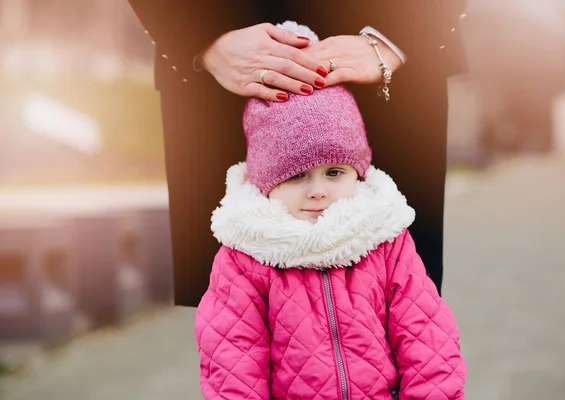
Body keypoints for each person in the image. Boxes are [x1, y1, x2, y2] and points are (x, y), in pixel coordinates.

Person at [127, 1, 468, 306]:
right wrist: (199, 37)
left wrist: (403, 34)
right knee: (239, 312)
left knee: (400, 298)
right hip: (226, 71)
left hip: (381, 68)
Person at [195, 83, 466, 399]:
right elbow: (233, 356)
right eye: (297, 175)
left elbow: (426, 337)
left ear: (357, 174)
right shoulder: (245, 256)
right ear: (267, 183)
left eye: (334, 172)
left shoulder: (385, 241)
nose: (318, 190)